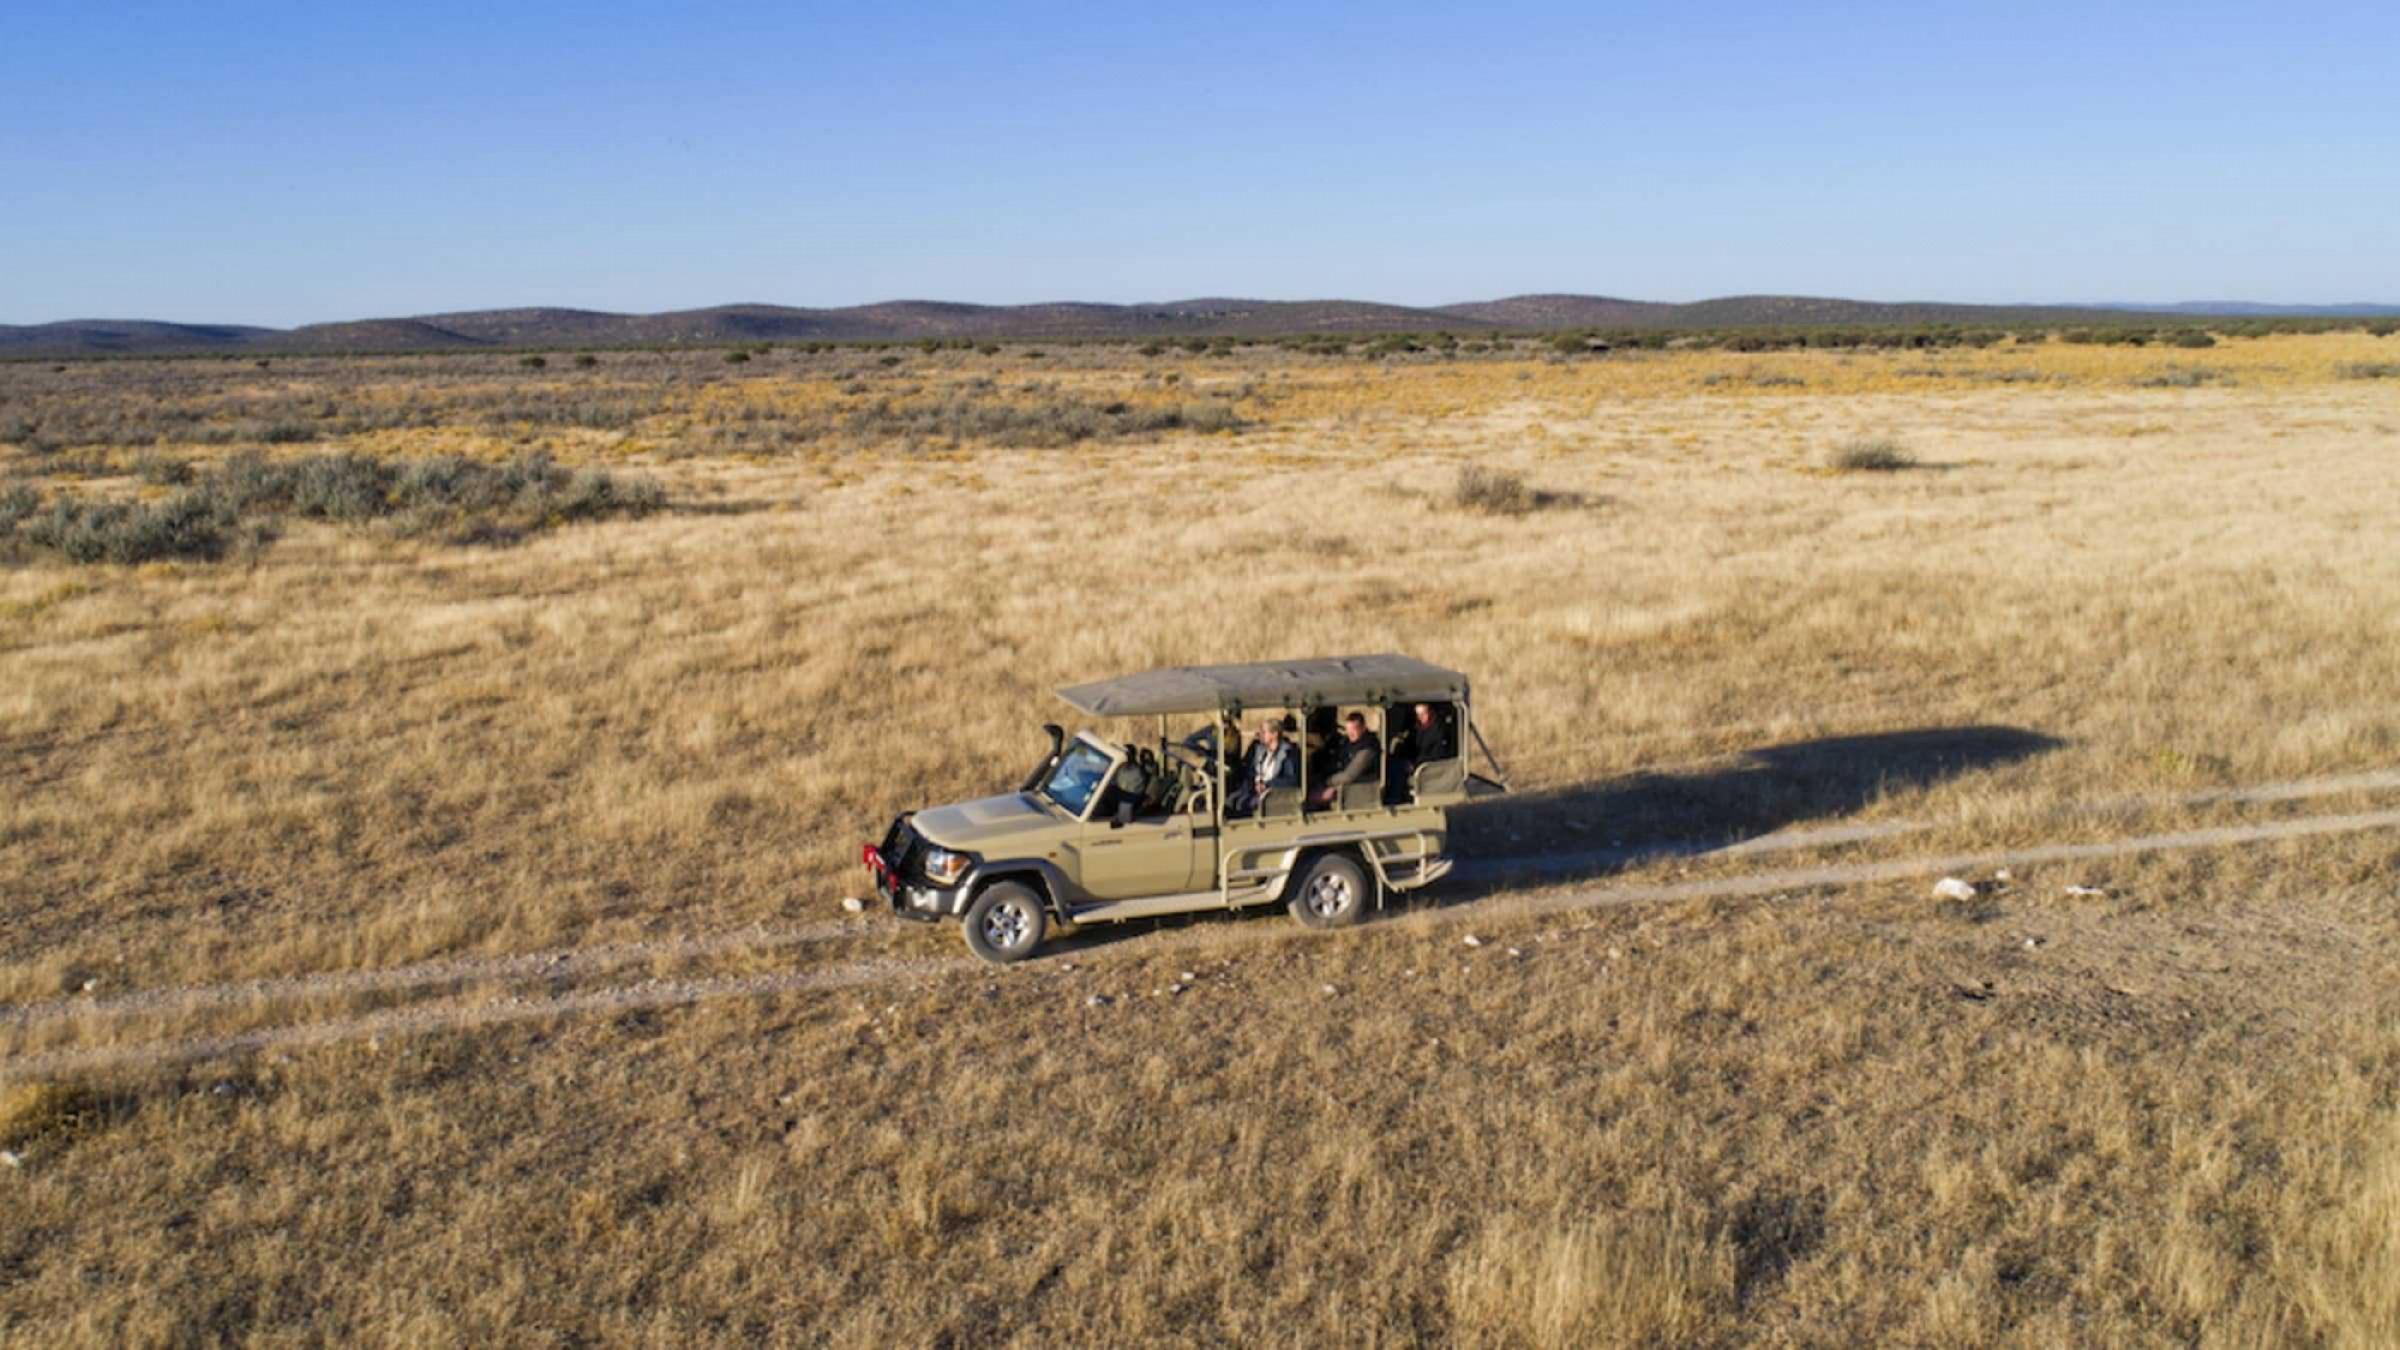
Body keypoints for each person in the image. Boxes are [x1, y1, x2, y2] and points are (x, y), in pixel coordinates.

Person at [1226, 717, 1298, 817]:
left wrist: (1267, 785)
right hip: (1253, 789)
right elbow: (1248, 770)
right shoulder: (1259, 751)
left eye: (1264, 732)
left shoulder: (1288, 754)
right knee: (1230, 802)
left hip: (1272, 795)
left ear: (1274, 734)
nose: (1259, 734)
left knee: (1245, 805)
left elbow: (1292, 780)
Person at [1308, 712, 1381, 807]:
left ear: (1363, 728)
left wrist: (1327, 782)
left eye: (1354, 729)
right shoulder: (1346, 743)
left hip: (1359, 788)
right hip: (1343, 785)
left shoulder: (1367, 749)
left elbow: (1349, 775)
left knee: (1315, 797)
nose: (1350, 733)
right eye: (1348, 729)